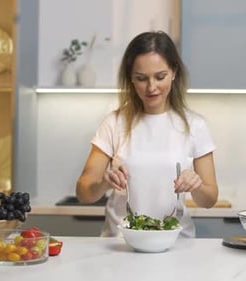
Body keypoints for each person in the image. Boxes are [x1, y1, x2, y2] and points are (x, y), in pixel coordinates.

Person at [76, 31, 219, 237]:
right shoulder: (114, 123)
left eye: (160, 77)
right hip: (120, 246)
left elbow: (210, 199)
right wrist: (104, 183)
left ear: (174, 72)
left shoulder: (195, 125)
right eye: (141, 78)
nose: (151, 87)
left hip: (176, 245)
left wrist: (195, 186)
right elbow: (83, 192)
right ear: (131, 79)